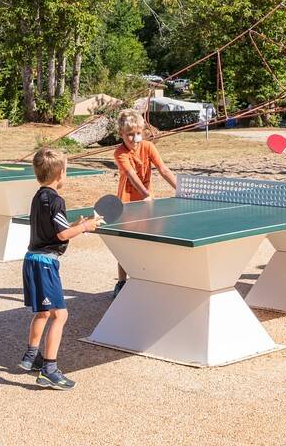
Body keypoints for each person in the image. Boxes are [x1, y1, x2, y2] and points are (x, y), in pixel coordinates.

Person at [18, 147, 103, 389]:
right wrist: (86, 227)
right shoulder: (56, 200)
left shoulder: (38, 197)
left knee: (43, 312)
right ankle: (49, 369)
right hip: (46, 263)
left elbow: (58, 227)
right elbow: (63, 234)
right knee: (60, 315)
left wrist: (77, 223)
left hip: (31, 259)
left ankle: (31, 355)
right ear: (61, 174)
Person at [111, 109, 177, 297]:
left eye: (138, 133)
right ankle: (122, 282)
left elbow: (163, 170)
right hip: (127, 203)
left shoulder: (148, 146)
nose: (134, 138)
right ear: (121, 135)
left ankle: (147, 279)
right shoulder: (120, 152)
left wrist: (181, 189)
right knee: (126, 246)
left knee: (149, 242)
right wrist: (146, 194)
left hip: (147, 203)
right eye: (130, 134)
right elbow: (132, 175)